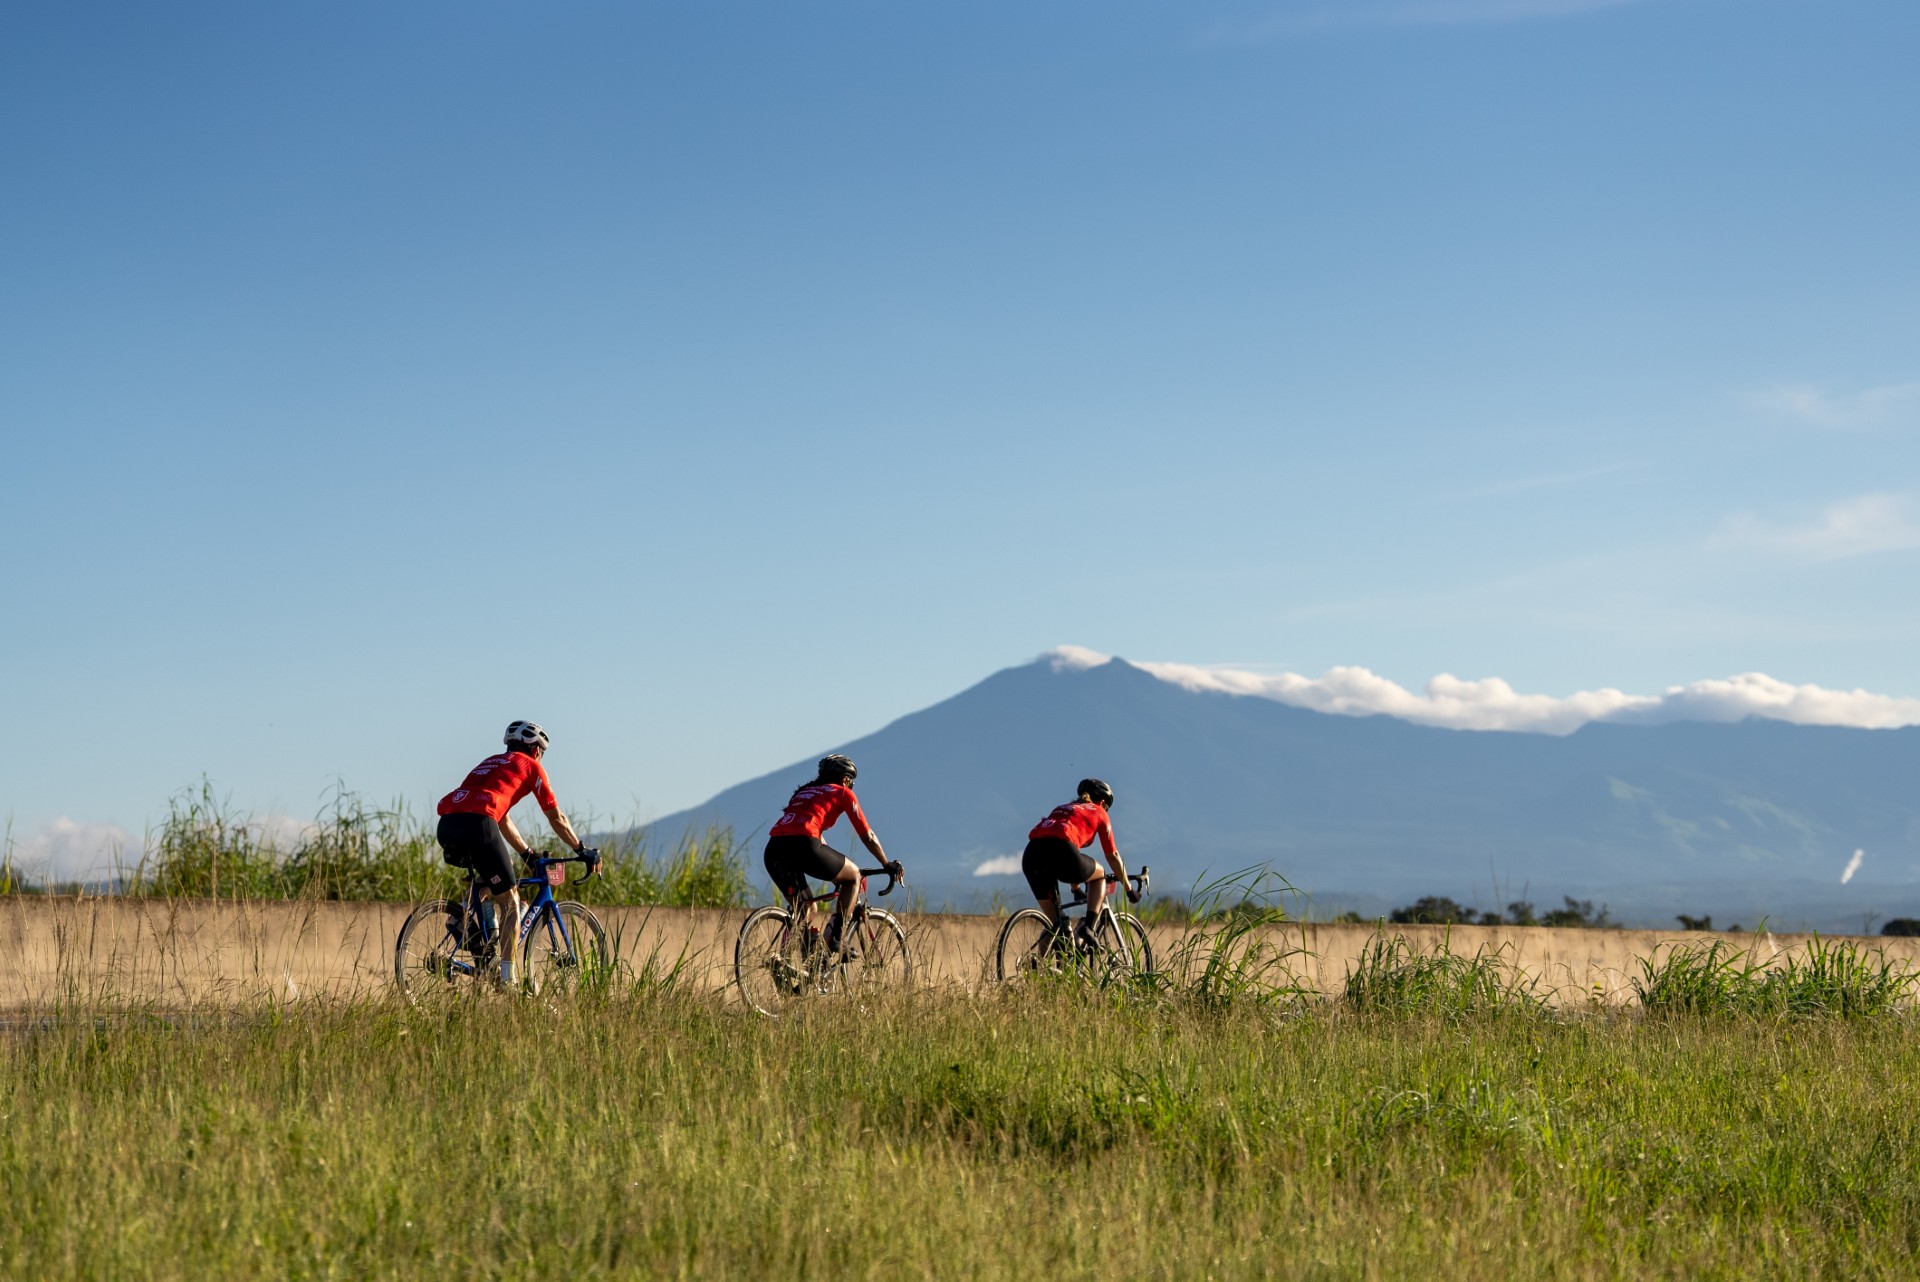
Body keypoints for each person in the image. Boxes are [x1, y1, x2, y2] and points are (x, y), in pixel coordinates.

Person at [436, 720, 589, 989]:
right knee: (510, 900)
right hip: (479, 824)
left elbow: (502, 818)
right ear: (536, 750)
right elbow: (557, 818)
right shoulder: (531, 766)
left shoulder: (492, 762)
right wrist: (581, 849)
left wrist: (526, 853)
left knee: (488, 881)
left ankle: (460, 916)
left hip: (448, 824)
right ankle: (508, 980)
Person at [764, 754, 892, 959]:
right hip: (805, 846)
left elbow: (808, 832)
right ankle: (836, 939)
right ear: (845, 780)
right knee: (854, 876)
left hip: (774, 849)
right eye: (851, 782)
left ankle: (785, 960)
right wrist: (886, 864)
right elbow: (867, 835)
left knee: (806, 908)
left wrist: (834, 869)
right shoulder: (842, 793)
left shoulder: (804, 792)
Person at [1021, 778, 1134, 946]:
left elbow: (1065, 848)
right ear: (1102, 802)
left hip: (1031, 855)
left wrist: (1076, 888)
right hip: (1063, 850)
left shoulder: (1062, 808)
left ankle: (1038, 967)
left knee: (1056, 924)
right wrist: (1129, 889)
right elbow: (1112, 855)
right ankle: (1088, 927)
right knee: (1100, 874)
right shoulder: (1099, 811)